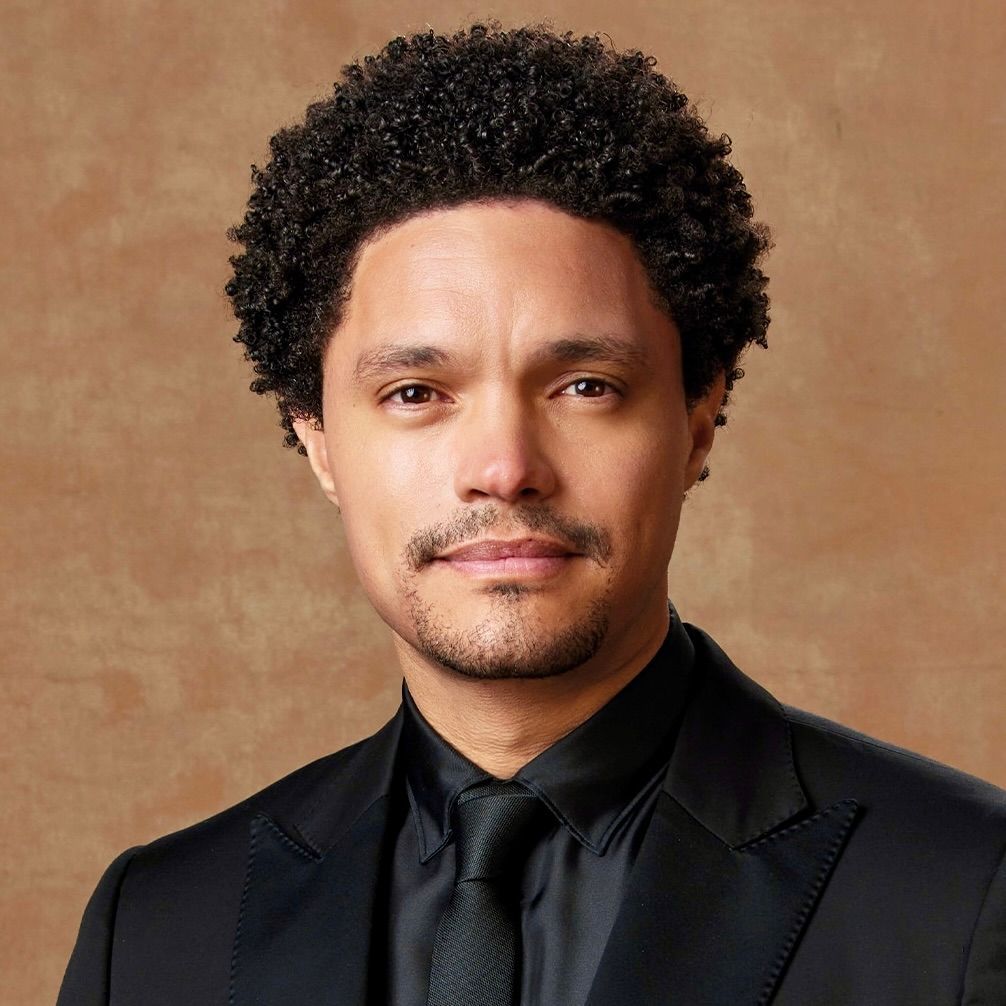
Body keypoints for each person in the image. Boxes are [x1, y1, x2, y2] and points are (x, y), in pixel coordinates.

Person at [58, 22, 1005, 1006]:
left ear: (698, 417)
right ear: (319, 439)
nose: (504, 468)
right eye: (417, 393)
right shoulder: (159, 932)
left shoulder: (967, 892)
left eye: (585, 384)